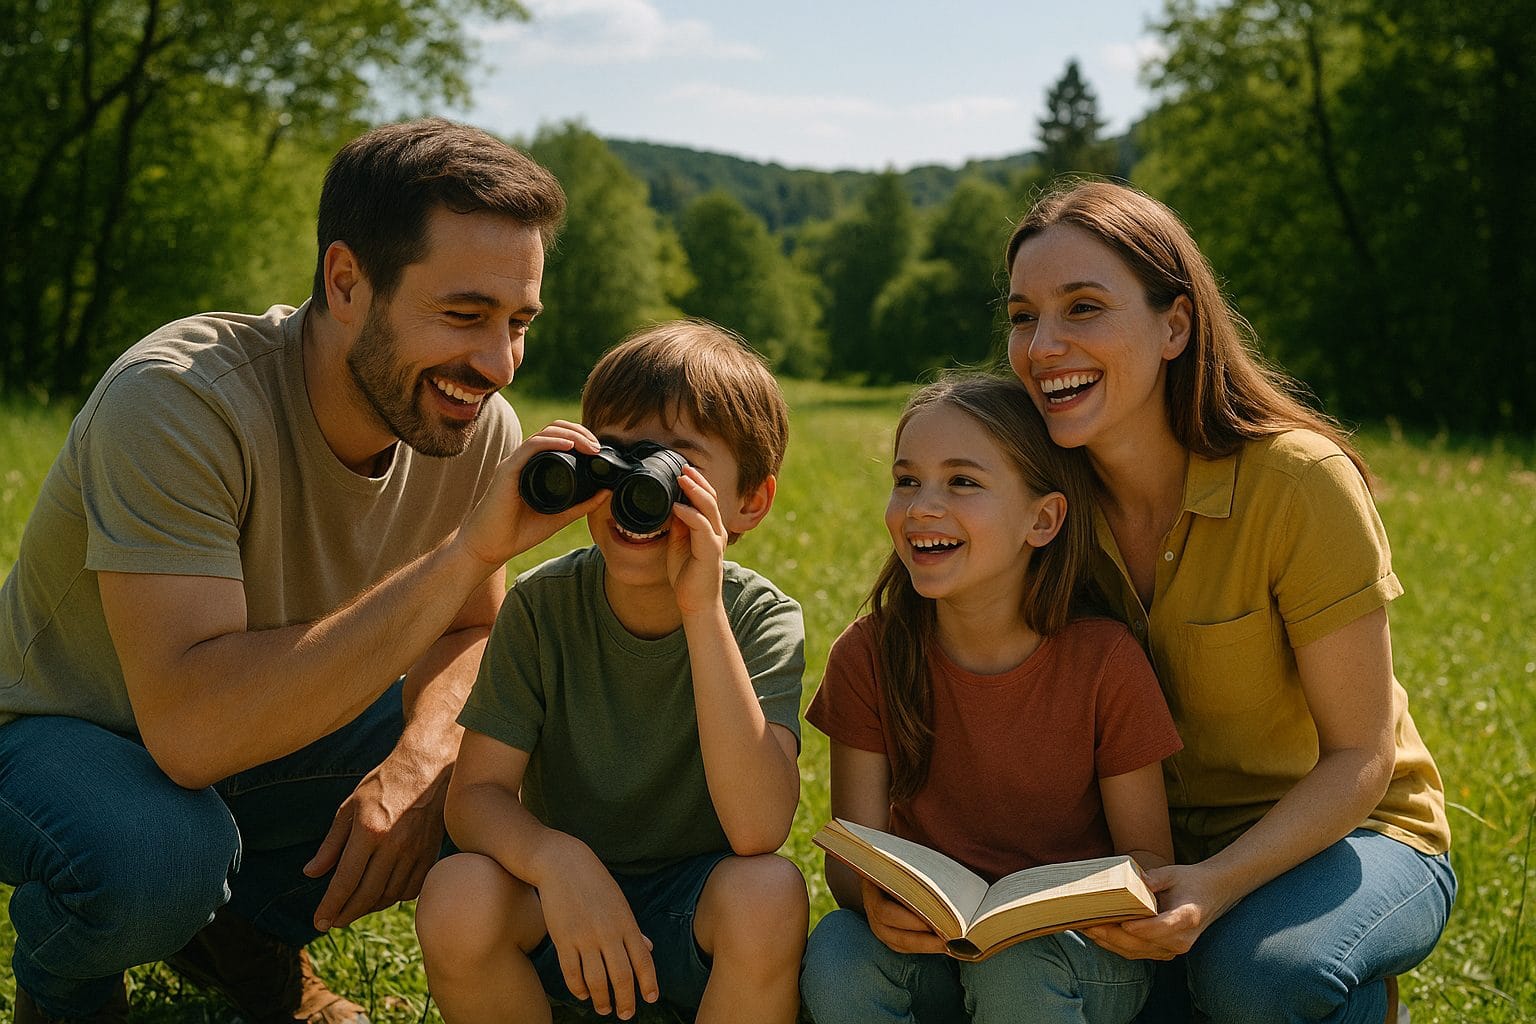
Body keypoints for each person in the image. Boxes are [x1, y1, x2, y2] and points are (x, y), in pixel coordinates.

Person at [0, 118, 587, 1024]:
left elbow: (472, 630)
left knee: (515, 773)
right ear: (346, 281)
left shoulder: (470, 426)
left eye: (518, 324)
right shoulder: (179, 401)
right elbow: (190, 733)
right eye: (464, 316)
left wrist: (426, 756)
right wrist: (471, 547)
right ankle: (66, 978)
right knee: (156, 852)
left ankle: (240, 938)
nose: (497, 365)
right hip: (56, 735)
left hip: (246, 735)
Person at [1002, 179, 1456, 1023]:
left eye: (1084, 308)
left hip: (1353, 834)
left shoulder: (1297, 482)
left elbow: (1361, 756)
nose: (1043, 344)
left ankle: (1353, 988)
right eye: (1023, 315)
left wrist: (1216, 885)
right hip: (1154, 854)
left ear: (1175, 325)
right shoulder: (1040, 509)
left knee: (1258, 976)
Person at [413, 320, 810, 1024]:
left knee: (769, 894)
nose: (636, 482)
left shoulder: (758, 620)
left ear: (751, 501)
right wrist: (556, 861)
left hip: (693, 918)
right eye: (617, 453)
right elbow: (473, 799)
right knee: (458, 896)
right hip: (559, 910)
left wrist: (702, 610)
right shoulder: (543, 606)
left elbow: (758, 831)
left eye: (671, 464)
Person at [799, 373, 1184, 1024]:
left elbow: (1149, 858)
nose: (922, 506)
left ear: (1043, 519)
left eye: (962, 482)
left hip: (1076, 959)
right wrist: (877, 906)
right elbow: (850, 863)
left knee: (1018, 967)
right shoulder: (869, 653)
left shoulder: (1105, 662)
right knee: (839, 951)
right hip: (931, 946)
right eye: (906, 480)